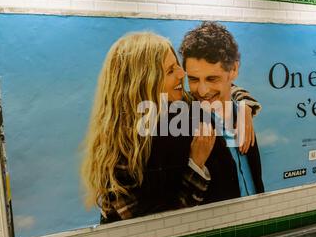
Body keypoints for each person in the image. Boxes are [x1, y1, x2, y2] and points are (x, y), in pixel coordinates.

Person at [81, 32, 261, 223]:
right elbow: (158, 226)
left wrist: (243, 106)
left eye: (177, 66)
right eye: (170, 71)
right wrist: (196, 164)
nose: (181, 74)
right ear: (144, 83)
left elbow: (221, 87)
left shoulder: (176, 109)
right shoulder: (120, 154)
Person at [179, 21, 264, 204]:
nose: (202, 90)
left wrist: (245, 106)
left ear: (233, 69)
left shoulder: (242, 112)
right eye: (193, 79)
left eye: (212, 78)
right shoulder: (184, 123)